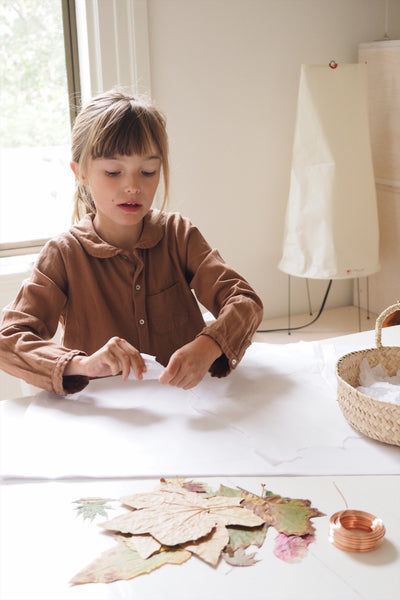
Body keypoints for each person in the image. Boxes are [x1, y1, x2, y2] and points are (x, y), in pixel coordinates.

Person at [0, 89, 263, 396]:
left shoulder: (179, 235)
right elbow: (8, 339)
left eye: (148, 171)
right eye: (113, 172)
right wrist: (83, 365)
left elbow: (245, 301)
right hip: (106, 425)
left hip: (190, 414)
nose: (133, 186)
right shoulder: (63, 255)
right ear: (80, 173)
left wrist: (209, 346)